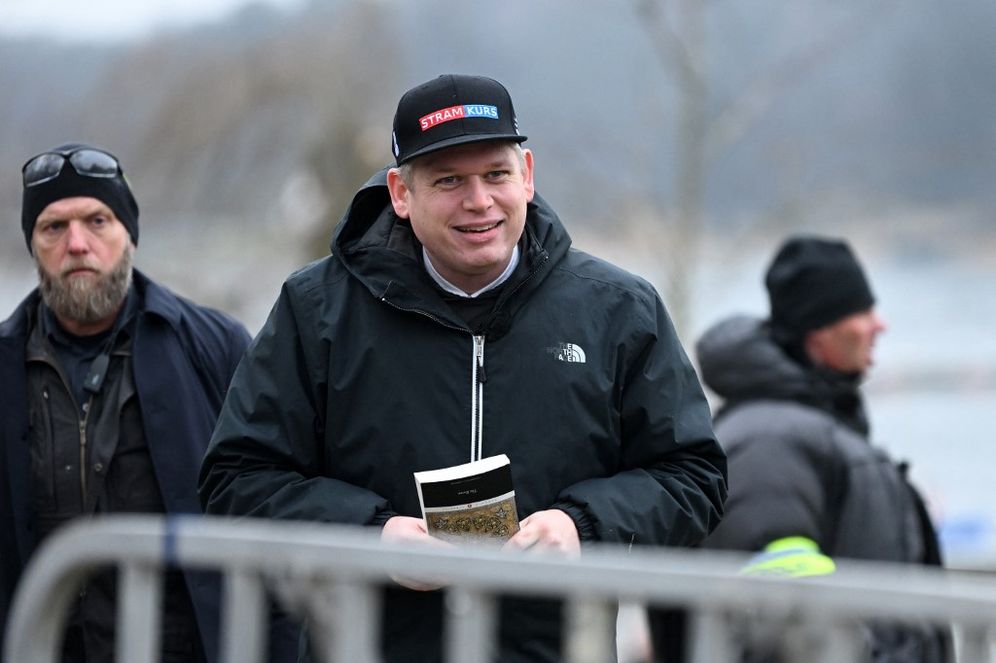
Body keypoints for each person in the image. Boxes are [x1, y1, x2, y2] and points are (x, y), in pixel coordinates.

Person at [199, 73, 728, 662]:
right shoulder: (316, 309)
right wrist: (369, 535)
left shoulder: (619, 309)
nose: (479, 202)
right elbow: (238, 477)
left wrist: (584, 525)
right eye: (449, 180)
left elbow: (694, 474)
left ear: (527, 175)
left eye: (496, 175)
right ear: (401, 193)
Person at [0, 143, 253, 663]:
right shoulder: (4, 364)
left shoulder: (214, 346)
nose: (77, 244)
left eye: (97, 220)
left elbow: (266, 507)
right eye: (53, 227)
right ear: (32, 243)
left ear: (129, 234)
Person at [658, 235, 949, 662]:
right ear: (820, 331)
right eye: (862, 311)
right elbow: (777, 624)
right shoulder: (770, 441)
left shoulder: (804, 426)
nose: (879, 325)